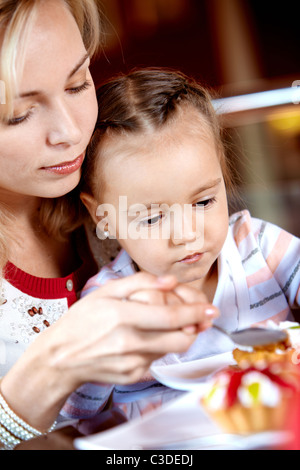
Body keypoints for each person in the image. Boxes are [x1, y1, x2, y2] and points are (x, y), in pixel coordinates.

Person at [0, 1, 219, 449]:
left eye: (79, 84)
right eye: (18, 114)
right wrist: (51, 369)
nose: (71, 132)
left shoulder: (108, 181)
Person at [71, 68, 300, 420]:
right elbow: (75, 416)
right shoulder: (111, 302)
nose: (186, 234)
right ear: (102, 216)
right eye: (151, 218)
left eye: (203, 202)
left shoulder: (257, 246)